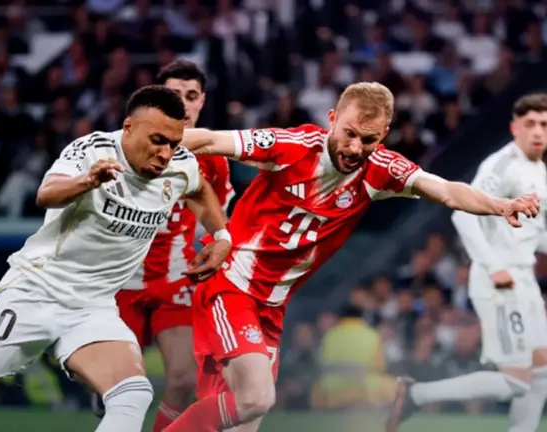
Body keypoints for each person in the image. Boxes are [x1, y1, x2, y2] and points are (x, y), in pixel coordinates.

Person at [160, 81, 540, 432]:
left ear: (383, 135)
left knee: (243, 420)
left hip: (271, 306)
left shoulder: (380, 170)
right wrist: (148, 142)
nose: (356, 148)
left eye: (369, 139)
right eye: (350, 134)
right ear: (332, 119)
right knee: (256, 398)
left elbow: (445, 190)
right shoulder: (293, 146)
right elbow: (210, 140)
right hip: (231, 286)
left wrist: (500, 205)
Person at [0, 85, 233, 432]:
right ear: (128, 127)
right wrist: (88, 181)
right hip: (34, 292)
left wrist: (221, 236)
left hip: (92, 307)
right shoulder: (93, 150)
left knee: (132, 393)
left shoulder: (180, 166)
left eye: (173, 144)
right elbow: (46, 194)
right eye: (157, 140)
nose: (165, 154)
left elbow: (200, 190)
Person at [387, 93, 547, 432]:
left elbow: (533, 234)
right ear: (514, 128)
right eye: (530, 123)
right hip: (500, 280)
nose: (537, 131)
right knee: (516, 380)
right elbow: (464, 216)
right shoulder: (501, 165)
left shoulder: (538, 168)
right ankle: (417, 394)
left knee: (542, 369)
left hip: (523, 278)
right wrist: (493, 266)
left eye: (544, 125)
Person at [96, 60, 234, 431]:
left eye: (191, 96)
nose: (183, 104)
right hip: (119, 280)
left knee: (185, 380)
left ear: (202, 101)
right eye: (174, 95)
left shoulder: (214, 161)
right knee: (121, 387)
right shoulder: (122, 147)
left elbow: (217, 221)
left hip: (175, 279)